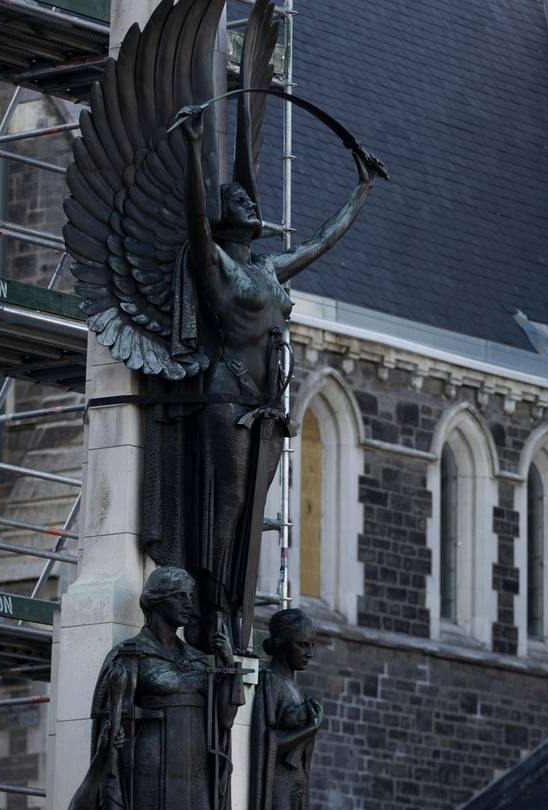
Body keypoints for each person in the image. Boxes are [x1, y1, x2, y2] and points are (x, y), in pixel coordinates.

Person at [168, 105, 379, 653]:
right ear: (222, 216)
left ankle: (230, 608)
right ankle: (214, 613)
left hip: (265, 409)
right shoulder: (213, 263)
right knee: (230, 504)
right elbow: (192, 215)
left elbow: (322, 241)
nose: (250, 201)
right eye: (238, 199)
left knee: (248, 512)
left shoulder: (266, 270)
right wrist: (192, 148)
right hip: (226, 395)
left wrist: (361, 189)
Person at [71, 567, 245, 810]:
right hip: (149, 769)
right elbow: (111, 723)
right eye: (178, 596)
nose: (188, 604)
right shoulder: (132, 654)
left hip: (197, 772)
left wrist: (229, 665)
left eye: (189, 596)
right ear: (156, 601)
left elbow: (224, 720)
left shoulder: (199, 660)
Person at [249, 609, 322, 810]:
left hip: (297, 781)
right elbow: (265, 741)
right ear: (281, 642)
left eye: (312, 645)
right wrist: (310, 729)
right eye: (302, 645)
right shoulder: (270, 680)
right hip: (278, 783)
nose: (309, 654)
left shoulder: (296, 689)